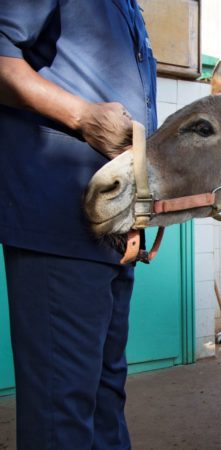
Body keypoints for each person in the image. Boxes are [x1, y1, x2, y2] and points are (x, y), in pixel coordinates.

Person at [0, 1, 157, 448]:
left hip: (114, 227)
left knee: (108, 398)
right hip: (57, 221)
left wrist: (137, 217)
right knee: (62, 412)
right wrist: (82, 117)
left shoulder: (131, 10)